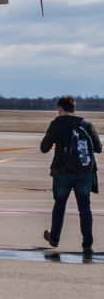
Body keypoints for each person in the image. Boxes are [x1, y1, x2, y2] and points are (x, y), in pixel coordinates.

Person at [39, 95, 98, 254]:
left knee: (59, 205)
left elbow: (44, 148)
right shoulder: (86, 123)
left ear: (60, 108)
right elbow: (98, 147)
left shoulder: (57, 123)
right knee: (85, 208)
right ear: (74, 108)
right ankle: (87, 244)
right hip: (85, 173)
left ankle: (55, 238)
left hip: (62, 172)